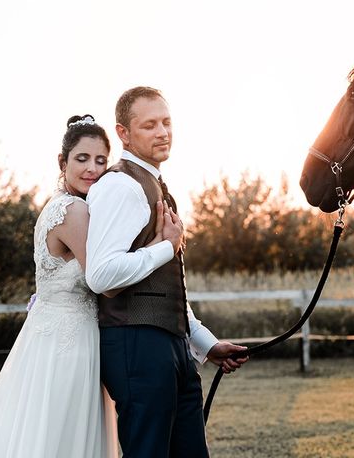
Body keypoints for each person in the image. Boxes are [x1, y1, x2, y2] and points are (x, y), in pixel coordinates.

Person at [85, 86, 248, 458]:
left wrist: (207, 345)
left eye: (167, 122)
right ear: (123, 133)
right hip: (136, 346)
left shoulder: (157, 185)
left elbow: (168, 287)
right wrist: (165, 248)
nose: (163, 132)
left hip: (173, 347)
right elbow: (101, 275)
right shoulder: (119, 185)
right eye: (149, 125)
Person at [0, 115, 127, 457]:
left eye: (101, 160)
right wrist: (160, 247)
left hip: (45, 334)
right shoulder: (74, 210)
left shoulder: (53, 207)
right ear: (62, 162)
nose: (92, 169)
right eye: (82, 159)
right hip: (70, 342)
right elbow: (105, 281)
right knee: (65, 433)